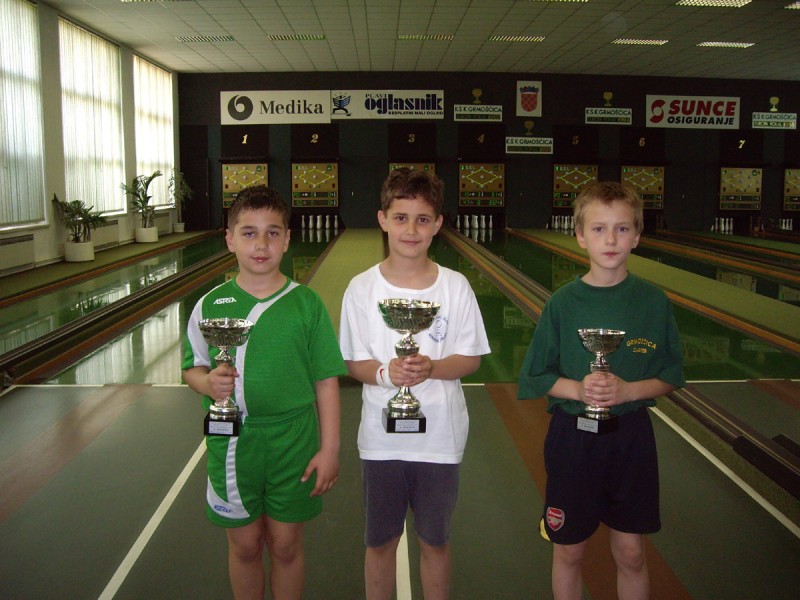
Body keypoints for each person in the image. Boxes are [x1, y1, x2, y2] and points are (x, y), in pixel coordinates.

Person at [518, 181, 685, 600]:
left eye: (622, 229)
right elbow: (537, 375)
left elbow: (671, 373)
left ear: (637, 235)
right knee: (569, 550)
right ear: (579, 235)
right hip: (572, 439)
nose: (610, 239)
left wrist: (628, 391)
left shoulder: (653, 302)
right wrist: (578, 388)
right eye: (598, 229)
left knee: (631, 553)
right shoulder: (562, 303)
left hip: (630, 438)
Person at [183, 185, 346, 600]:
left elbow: (326, 381)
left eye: (272, 233)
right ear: (229, 239)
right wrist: (207, 383)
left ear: (287, 239)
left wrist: (330, 449)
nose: (261, 244)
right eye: (249, 232)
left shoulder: (307, 304)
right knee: (245, 545)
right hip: (233, 443)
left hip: (294, 439)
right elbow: (192, 368)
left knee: (286, 544)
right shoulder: (209, 305)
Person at [339, 168, 491, 600]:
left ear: (438, 224)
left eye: (422, 219)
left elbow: (471, 358)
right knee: (380, 543)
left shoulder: (455, 287)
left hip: (439, 441)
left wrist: (431, 368)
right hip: (381, 442)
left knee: (435, 543)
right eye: (401, 217)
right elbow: (354, 362)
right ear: (383, 219)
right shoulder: (361, 288)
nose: (411, 230)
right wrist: (386, 374)